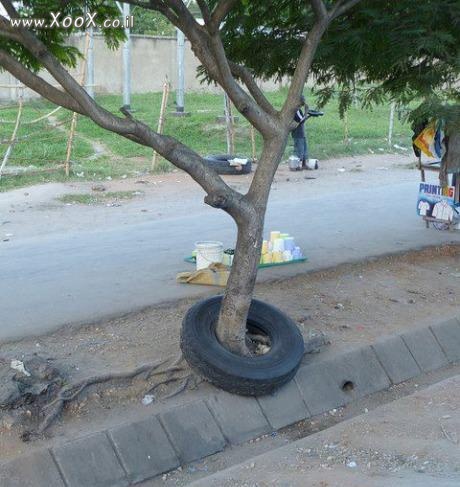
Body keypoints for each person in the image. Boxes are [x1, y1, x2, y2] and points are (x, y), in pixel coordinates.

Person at [292, 95, 309, 170]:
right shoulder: (296, 111)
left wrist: (307, 114)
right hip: (297, 133)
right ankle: (297, 166)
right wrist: (306, 112)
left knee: (304, 148)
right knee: (299, 149)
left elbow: (303, 120)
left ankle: (304, 164)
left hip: (301, 132)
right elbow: (301, 120)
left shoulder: (299, 110)